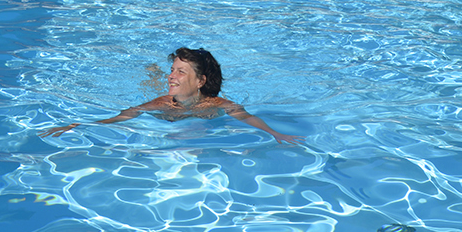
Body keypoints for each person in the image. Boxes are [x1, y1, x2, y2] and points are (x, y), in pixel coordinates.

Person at [41, 48, 303, 145]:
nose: (172, 76)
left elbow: (246, 116)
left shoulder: (216, 105)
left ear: (200, 81)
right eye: (171, 70)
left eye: (180, 72)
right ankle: (150, 70)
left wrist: (275, 134)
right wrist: (83, 125)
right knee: (152, 82)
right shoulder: (161, 103)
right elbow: (125, 116)